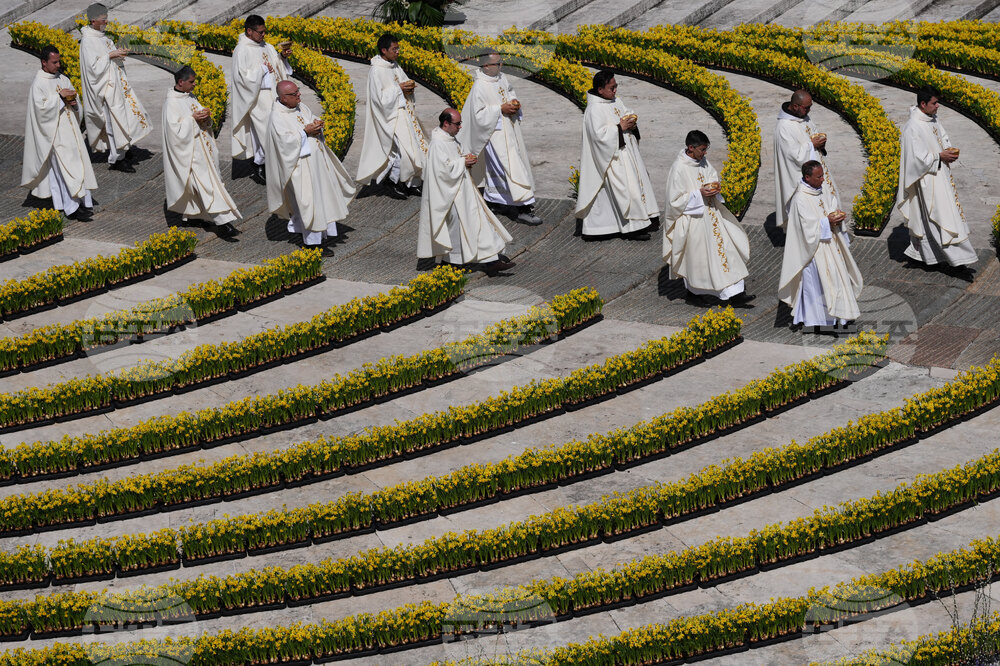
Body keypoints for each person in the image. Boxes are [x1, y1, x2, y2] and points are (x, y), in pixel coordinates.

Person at [417, 108, 515, 276]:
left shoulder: (449, 138)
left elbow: (454, 162)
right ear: (446, 123)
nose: (460, 127)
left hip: (463, 190)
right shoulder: (437, 144)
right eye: (457, 124)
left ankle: (491, 261)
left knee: (479, 225)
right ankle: (453, 264)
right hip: (451, 195)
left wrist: (466, 161)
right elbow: (440, 172)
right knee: (457, 231)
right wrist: (462, 162)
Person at [265, 81, 356, 256]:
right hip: (300, 168)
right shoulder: (277, 117)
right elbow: (284, 144)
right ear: (283, 98)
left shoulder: (300, 107)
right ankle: (312, 245)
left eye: (298, 92)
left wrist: (317, 124)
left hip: (316, 164)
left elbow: (309, 119)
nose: (299, 96)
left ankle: (322, 235)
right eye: (294, 94)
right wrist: (305, 132)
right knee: (309, 204)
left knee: (321, 199)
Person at [662, 130, 752, 304]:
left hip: (712, 215)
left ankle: (735, 294)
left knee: (727, 251)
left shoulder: (702, 162)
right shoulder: (679, 168)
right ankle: (695, 294)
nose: (705, 153)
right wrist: (698, 193)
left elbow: (711, 175)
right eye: (702, 149)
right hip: (694, 220)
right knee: (700, 260)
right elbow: (674, 202)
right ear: (691, 148)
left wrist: (715, 187)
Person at [457, 51, 542, 225]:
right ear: (486, 66)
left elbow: (510, 92)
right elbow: (477, 115)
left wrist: (514, 102)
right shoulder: (480, 86)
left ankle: (496, 202)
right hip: (494, 136)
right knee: (511, 169)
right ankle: (523, 208)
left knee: (504, 170)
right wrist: (500, 109)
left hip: (509, 131)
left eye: (501, 62)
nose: (501, 66)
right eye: (497, 63)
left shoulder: (501, 78)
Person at [897, 86, 977, 270]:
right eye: (934, 103)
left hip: (940, 174)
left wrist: (948, 151)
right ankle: (956, 259)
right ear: (923, 104)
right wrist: (939, 157)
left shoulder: (932, 119)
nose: (938, 106)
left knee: (938, 218)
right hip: (927, 179)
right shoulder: (912, 128)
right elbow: (914, 159)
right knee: (940, 217)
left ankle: (929, 257)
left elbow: (942, 138)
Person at [778, 161, 863, 331]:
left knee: (837, 279)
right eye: (819, 177)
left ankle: (838, 317)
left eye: (823, 175)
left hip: (829, 243)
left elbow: (829, 204)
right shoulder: (800, 198)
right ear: (807, 177)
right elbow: (806, 228)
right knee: (819, 283)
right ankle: (817, 320)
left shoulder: (819, 189)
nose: (823, 179)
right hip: (813, 250)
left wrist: (835, 215)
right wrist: (827, 222)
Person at [576, 70, 658, 241]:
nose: (615, 91)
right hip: (611, 158)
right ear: (600, 90)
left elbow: (626, 113)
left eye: (616, 87)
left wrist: (632, 122)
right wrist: (619, 128)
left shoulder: (616, 101)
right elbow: (598, 137)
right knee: (626, 192)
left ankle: (646, 218)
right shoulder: (593, 110)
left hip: (628, 153)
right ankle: (633, 228)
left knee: (638, 186)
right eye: (611, 88)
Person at [162, 66, 241, 236]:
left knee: (201, 186)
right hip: (191, 153)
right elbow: (173, 132)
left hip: (203, 149)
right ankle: (224, 222)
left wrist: (206, 116)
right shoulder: (172, 102)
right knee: (209, 186)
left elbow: (198, 117)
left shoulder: (189, 97)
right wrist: (192, 120)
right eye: (191, 82)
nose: (194, 84)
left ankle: (194, 215)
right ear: (180, 82)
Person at [22, 45, 97, 220]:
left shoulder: (62, 78)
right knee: (65, 169)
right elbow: (40, 111)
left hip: (71, 131)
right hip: (54, 133)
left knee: (77, 166)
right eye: (54, 62)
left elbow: (74, 100)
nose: (58, 65)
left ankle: (81, 203)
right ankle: (72, 208)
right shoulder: (38, 84)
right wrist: (59, 98)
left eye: (59, 61)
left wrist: (74, 101)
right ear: (44, 62)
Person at [78, 2, 150, 173]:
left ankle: (124, 148)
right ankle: (117, 159)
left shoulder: (102, 37)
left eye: (107, 19)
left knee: (125, 117)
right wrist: (111, 55)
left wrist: (117, 54)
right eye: (103, 20)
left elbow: (106, 57)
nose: (106, 22)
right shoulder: (88, 41)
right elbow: (92, 68)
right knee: (113, 124)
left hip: (117, 86)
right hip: (105, 90)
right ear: (94, 20)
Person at [357, 33, 427, 196]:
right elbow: (378, 99)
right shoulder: (377, 71)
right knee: (401, 151)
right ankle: (393, 182)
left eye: (398, 48)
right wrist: (399, 90)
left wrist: (408, 88)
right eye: (394, 49)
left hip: (404, 113)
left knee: (414, 148)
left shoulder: (394, 65)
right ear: (384, 50)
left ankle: (412, 183)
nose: (398, 52)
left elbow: (402, 81)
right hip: (390, 116)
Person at [231, 14, 292, 180]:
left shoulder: (266, 46)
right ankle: (262, 165)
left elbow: (275, 65)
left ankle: (273, 165)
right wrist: (262, 71)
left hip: (273, 95)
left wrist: (283, 57)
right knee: (265, 132)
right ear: (249, 31)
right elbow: (241, 77)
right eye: (260, 32)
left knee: (277, 129)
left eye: (265, 32)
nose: (263, 35)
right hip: (257, 98)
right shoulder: (242, 49)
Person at [774, 89, 839, 230]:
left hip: (818, 169)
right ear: (796, 106)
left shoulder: (802, 116)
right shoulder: (784, 127)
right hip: (800, 177)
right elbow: (792, 156)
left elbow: (812, 131)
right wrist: (811, 145)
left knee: (828, 197)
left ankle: (834, 229)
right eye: (807, 107)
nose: (809, 111)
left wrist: (820, 142)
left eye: (810, 106)